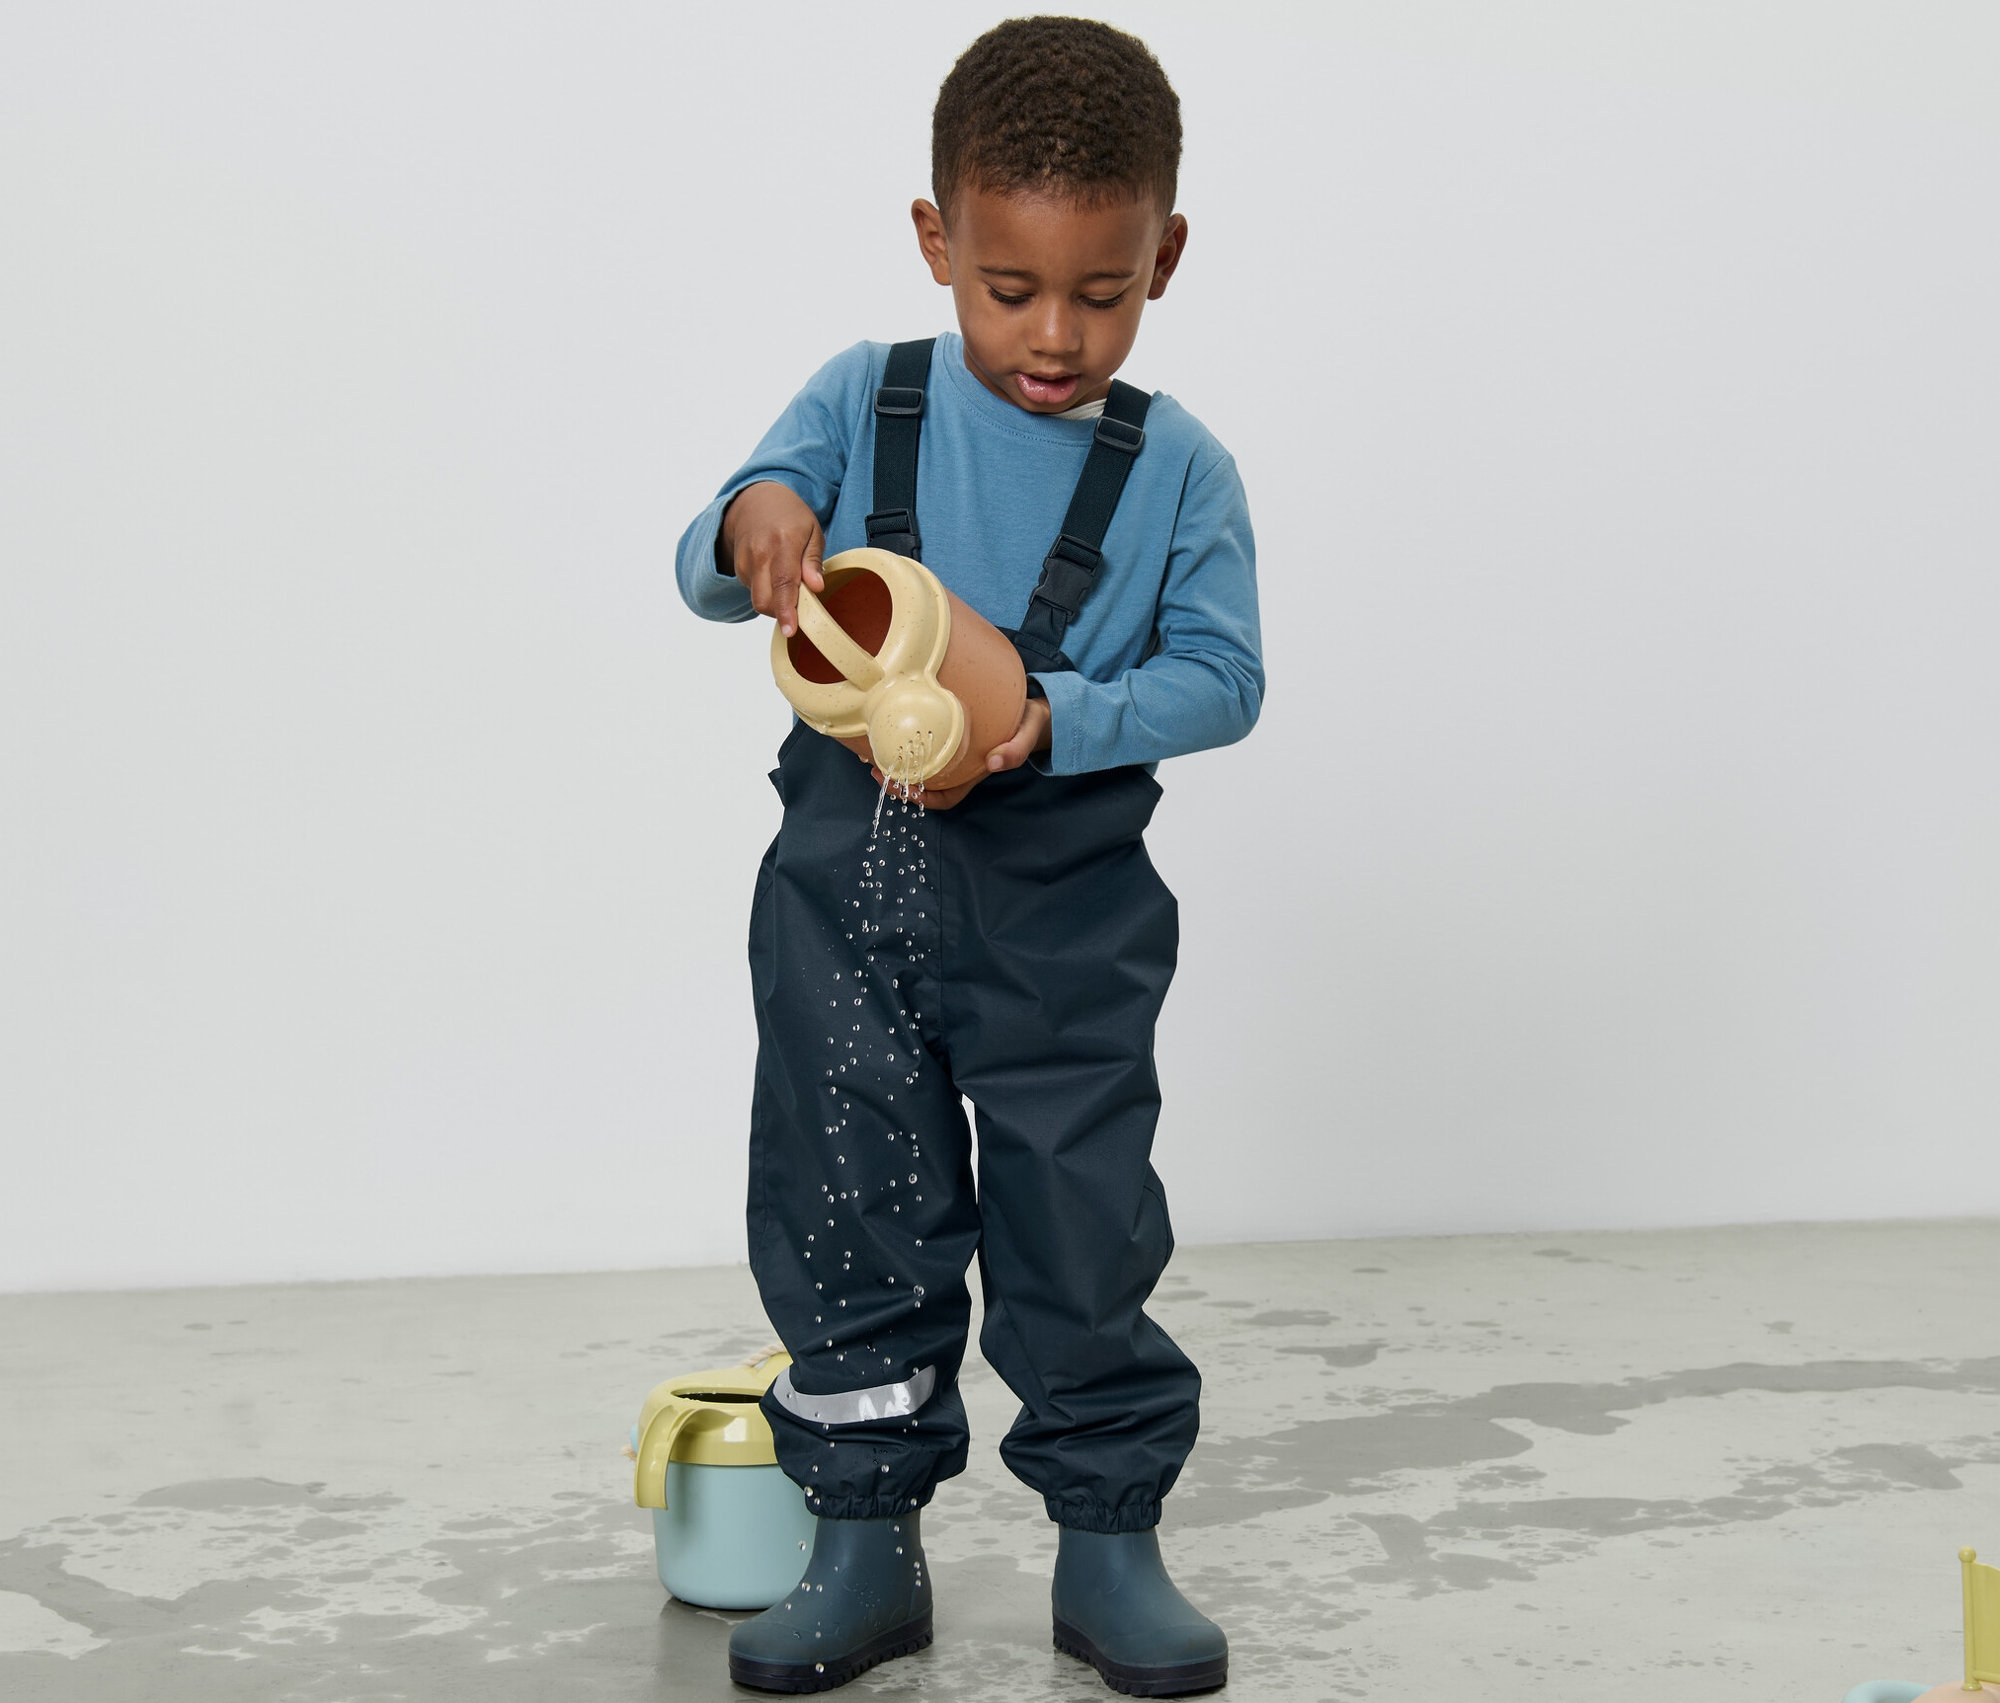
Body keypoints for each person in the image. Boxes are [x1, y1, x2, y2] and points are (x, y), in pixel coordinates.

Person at [673, 17, 1262, 1694]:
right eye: (1010, 290)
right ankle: (861, 1538)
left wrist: (1056, 720)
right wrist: (756, 519)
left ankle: (1108, 1539)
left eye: (1104, 290)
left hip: (1067, 905)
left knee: (1080, 1208)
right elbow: (722, 549)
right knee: (846, 1193)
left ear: (1167, 253)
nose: (1055, 335)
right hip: (846, 893)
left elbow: (1226, 680)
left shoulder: (1182, 471)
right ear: (938, 241)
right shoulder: (865, 400)